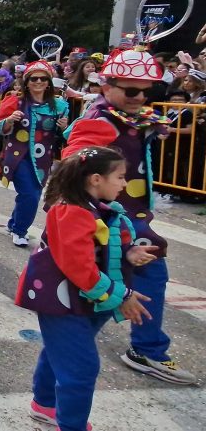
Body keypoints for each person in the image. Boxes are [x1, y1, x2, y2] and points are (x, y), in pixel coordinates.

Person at [63, 46, 196, 385]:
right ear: (106, 86)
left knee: (126, 284)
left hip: (131, 215)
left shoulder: (129, 118)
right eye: (131, 90)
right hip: (114, 218)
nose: (140, 97)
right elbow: (72, 163)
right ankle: (146, 349)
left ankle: (142, 347)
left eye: (145, 90)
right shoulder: (101, 122)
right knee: (104, 296)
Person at [16, 146, 156, 431]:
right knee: (81, 367)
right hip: (64, 299)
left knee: (61, 352)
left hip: (85, 299)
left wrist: (129, 254)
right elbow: (79, 267)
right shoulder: (72, 212)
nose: (124, 184)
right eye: (119, 177)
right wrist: (123, 296)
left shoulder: (98, 208)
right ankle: (71, 425)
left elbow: (100, 247)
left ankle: (45, 404)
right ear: (95, 179)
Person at [0, 59, 69, 247]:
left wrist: (64, 127)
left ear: (49, 82)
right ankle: (20, 230)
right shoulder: (15, 101)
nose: (38, 82)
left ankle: (13, 223)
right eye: (34, 78)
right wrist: (10, 120)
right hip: (18, 157)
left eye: (43, 79)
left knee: (30, 194)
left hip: (43, 159)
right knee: (30, 195)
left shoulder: (59, 106)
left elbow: (64, 136)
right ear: (26, 82)